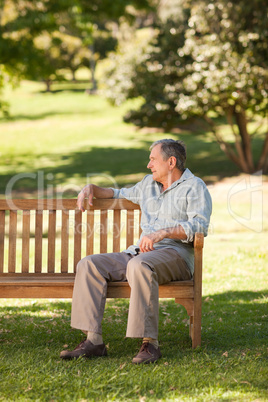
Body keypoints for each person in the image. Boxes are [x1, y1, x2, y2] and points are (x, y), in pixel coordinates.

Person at [60, 139, 212, 364]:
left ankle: (150, 344)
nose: (148, 165)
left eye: (153, 159)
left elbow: (199, 226)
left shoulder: (195, 186)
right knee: (89, 264)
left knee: (139, 266)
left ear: (171, 162)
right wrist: (92, 189)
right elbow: (117, 193)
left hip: (176, 255)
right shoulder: (147, 185)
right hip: (139, 253)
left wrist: (163, 233)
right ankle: (93, 342)